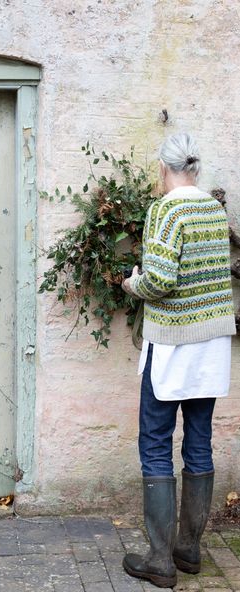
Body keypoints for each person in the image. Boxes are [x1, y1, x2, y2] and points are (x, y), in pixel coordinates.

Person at [121, 132, 237, 589]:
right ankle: (189, 549)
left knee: (154, 441)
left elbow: (162, 280)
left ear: (162, 168)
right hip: (210, 345)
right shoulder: (212, 207)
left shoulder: (166, 209)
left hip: (172, 345)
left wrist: (134, 285)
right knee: (199, 440)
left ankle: (159, 559)